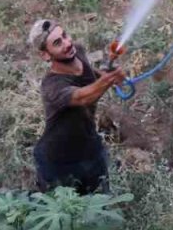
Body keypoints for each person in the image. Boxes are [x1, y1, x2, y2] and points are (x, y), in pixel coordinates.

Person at [27, 18, 127, 195]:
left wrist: (103, 75)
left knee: (101, 196)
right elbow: (82, 98)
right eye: (57, 43)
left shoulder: (77, 51)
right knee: (63, 209)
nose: (67, 43)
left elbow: (88, 71)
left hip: (88, 145)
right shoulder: (52, 86)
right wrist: (110, 79)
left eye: (65, 36)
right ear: (45, 55)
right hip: (58, 161)